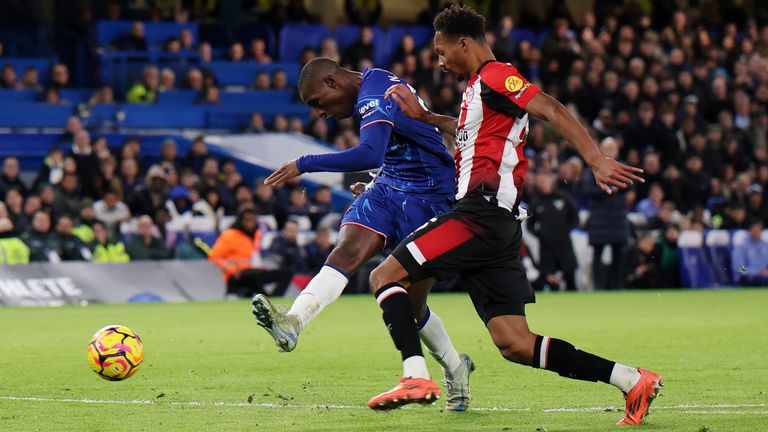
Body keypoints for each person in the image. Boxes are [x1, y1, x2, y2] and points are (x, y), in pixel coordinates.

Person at [371, 5, 660, 425]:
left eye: (441, 51)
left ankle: (415, 375)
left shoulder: (496, 75)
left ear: (463, 43)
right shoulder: (477, 90)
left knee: (384, 277)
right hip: (497, 223)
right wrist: (427, 118)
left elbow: (551, 109)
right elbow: (473, 131)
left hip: (479, 215)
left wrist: (596, 160)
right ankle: (632, 379)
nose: (439, 61)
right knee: (515, 343)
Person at [250, 56, 474, 411]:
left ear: (332, 82)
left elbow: (369, 151)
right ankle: (293, 320)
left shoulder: (375, 93)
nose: (320, 114)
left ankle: (455, 367)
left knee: (413, 307)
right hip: (389, 186)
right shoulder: (373, 86)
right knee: (346, 252)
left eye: (318, 103)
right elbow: (389, 149)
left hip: (431, 195)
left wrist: (304, 164)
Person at [208, 208, 289, 298]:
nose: (251, 223)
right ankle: (267, 298)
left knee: (287, 272)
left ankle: (275, 298)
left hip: (255, 271)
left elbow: (255, 257)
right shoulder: (229, 235)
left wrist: (263, 267)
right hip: (236, 276)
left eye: (253, 220)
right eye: (247, 220)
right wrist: (233, 270)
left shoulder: (256, 235)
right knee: (253, 275)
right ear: (240, 221)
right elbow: (214, 257)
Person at [528, 173, 579, 291]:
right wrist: (539, 235)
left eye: (544, 182)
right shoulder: (535, 201)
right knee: (549, 276)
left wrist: (566, 230)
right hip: (546, 245)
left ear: (551, 182)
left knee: (569, 275)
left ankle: (574, 297)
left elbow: (575, 218)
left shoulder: (563, 197)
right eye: (540, 183)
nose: (542, 185)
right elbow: (529, 224)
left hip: (564, 243)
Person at [731, 220, 768, 286]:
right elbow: (739, 268)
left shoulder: (765, 245)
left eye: (759, 229)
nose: (757, 231)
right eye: (755, 229)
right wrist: (757, 272)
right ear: (749, 230)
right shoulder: (742, 246)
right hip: (747, 277)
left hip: (764, 275)